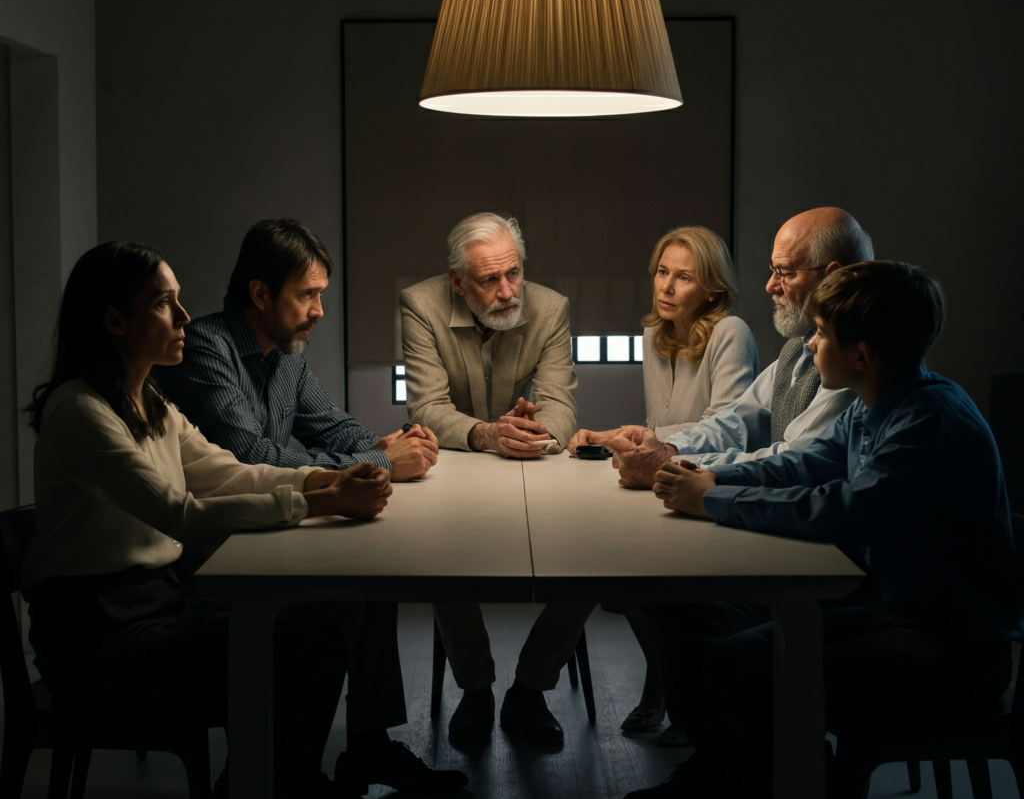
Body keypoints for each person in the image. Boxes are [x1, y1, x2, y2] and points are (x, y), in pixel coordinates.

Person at [23, 242, 464, 799]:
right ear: (115, 320)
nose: (183, 316)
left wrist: (326, 481)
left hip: (158, 604)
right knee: (303, 654)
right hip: (100, 637)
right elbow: (180, 512)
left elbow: (229, 472)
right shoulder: (82, 411)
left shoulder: (149, 403)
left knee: (326, 622)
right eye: (164, 303)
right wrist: (320, 498)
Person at [623, 261, 1023, 799]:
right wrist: (711, 476)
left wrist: (713, 501)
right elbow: (804, 464)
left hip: (951, 652)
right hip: (896, 615)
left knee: (756, 676)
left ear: (861, 354)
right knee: (728, 662)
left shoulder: (927, 422)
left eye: (820, 334)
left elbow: (839, 509)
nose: (809, 345)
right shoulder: (876, 403)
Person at [604, 206, 873, 745]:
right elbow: (744, 424)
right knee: (667, 597)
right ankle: (713, 753)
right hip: (814, 553)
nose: (769, 285)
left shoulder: (860, 380)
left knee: (702, 627)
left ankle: (733, 765)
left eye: (784, 272)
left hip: (854, 585)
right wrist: (669, 451)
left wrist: (704, 486)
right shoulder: (802, 351)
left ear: (832, 278)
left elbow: (807, 473)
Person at [400, 212, 590, 749]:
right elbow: (426, 407)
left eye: (514, 273)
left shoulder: (550, 307)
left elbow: (560, 406)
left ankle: (531, 687)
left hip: (529, 465)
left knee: (593, 558)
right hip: (455, 465)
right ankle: (475, 688)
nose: (508, 291)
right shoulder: (421, 304)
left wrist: (537, 430)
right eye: (489, 280)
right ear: (458, 282)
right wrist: (487, 433)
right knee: (438, 555)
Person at [566, 225, 758, 736]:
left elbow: (728, 426)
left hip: (711, 484)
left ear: (712, 289)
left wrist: (628, 435)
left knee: (645, 585)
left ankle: (674, 691)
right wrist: (615, 437)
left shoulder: (731, 332)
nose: (666, 287)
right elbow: (660, 425)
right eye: (662, 272)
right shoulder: (656, 335)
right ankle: (667, 678)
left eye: (684, 277)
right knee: (618, 580)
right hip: (667, 480)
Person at [158, 218, 438, 482]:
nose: (319, 311)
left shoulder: (286, 356)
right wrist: (380, 462)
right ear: (260, 294)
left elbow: (335, 430)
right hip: (214, 517)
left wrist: (405, 443)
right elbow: (250, 459)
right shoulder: (202, 349)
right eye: (307, 294)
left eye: (320, 294)